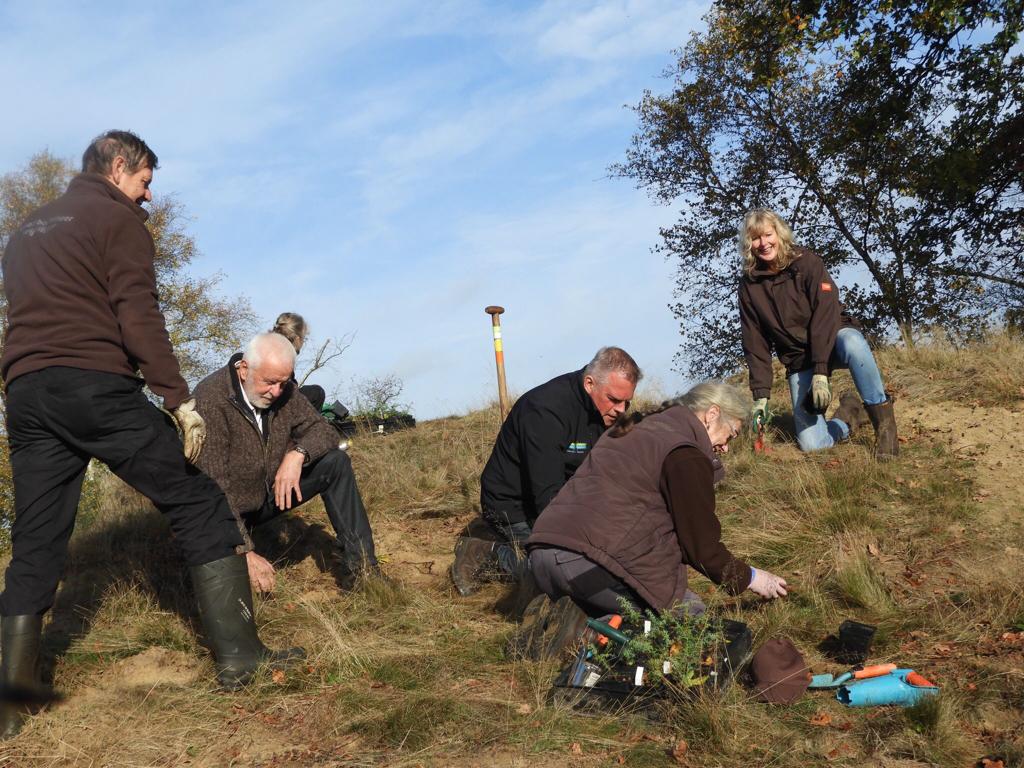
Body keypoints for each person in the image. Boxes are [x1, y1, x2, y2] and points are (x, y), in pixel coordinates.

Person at [0, 131, 300, 738]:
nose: (149, 197)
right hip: (94, 386)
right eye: (145, 182)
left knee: (35, 537)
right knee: (196, 497)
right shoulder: (117, 221)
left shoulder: (27, 229)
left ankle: (9, 704)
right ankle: (241, 659)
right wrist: (176, 397)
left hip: (26, 393)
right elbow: (138, 311)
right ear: (118, 168)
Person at [518, 382, 788, 656]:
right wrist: (751, 578)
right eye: (731, 435)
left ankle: (563, 617)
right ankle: (580, 635)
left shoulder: (635, 427)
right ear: (712, 414)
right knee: (689, 615)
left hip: (542, 555)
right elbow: (701, 547)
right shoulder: (685, 453)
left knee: (640, 597)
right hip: (585, 564)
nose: (726, 448)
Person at [192, 332, 380, 592]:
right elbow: (213, 489)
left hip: (270, 494)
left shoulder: (285, 390)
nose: (276, 392)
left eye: (282, 383)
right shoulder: (210, 398)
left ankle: (364, 572)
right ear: (244, 369)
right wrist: (243, 551)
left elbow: (324, 431)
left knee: (336, 463)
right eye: (269, 382)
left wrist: (297, 454)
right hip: (226, 512)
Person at [451, 347, 641, 596]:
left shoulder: (607, 415)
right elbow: (547, 497)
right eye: (614, 400)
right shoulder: (545, 411)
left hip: (565, 498)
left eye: (627, 402)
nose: (621, 410)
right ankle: (489, 555)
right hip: (515, 506)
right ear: (589, 383)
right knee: (553, 573)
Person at [737, 209, 898, 458]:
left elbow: (825, 314)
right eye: (755, 238)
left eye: (768, 235)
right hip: (798, 357)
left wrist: (821, 371)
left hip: (832, 338)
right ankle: (849, 416)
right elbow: (754, 340)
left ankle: (885, 426)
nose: (763, 243)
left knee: (854, 343)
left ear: (779, 233)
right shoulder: (749, 286)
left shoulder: (807, 262)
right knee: (814, 444)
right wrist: (761, 396)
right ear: (748, 243)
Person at [271, 312, 326, 412]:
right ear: (297, 338)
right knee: (317, 393)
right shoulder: (282, 355)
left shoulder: (271, 347)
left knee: (313, 392)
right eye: (304, 338)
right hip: (276, 404)